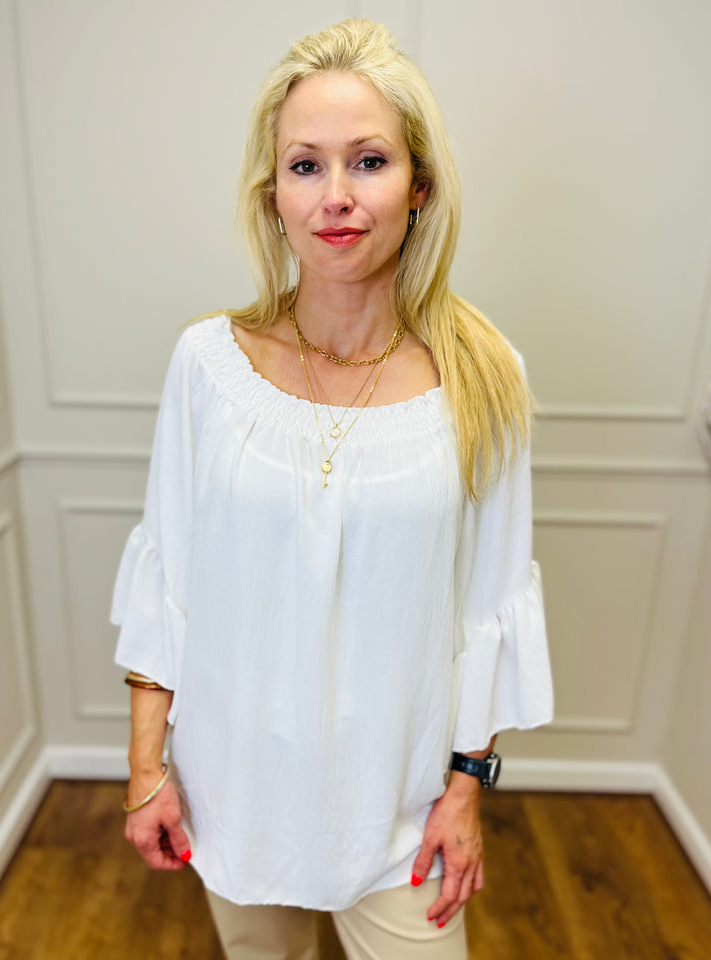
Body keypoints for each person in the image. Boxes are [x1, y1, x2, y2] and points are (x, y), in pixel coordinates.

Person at [110, 18, 553, 960]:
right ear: (273, 195)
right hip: (232, 796)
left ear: (419, 185)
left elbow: (489, 609)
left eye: (370, 161)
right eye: (306, 166)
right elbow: (168, 582)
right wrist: (148, 769)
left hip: (399, 811)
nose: (337, 196)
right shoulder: (207, 367)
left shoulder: (485, 379)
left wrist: (465, 792)